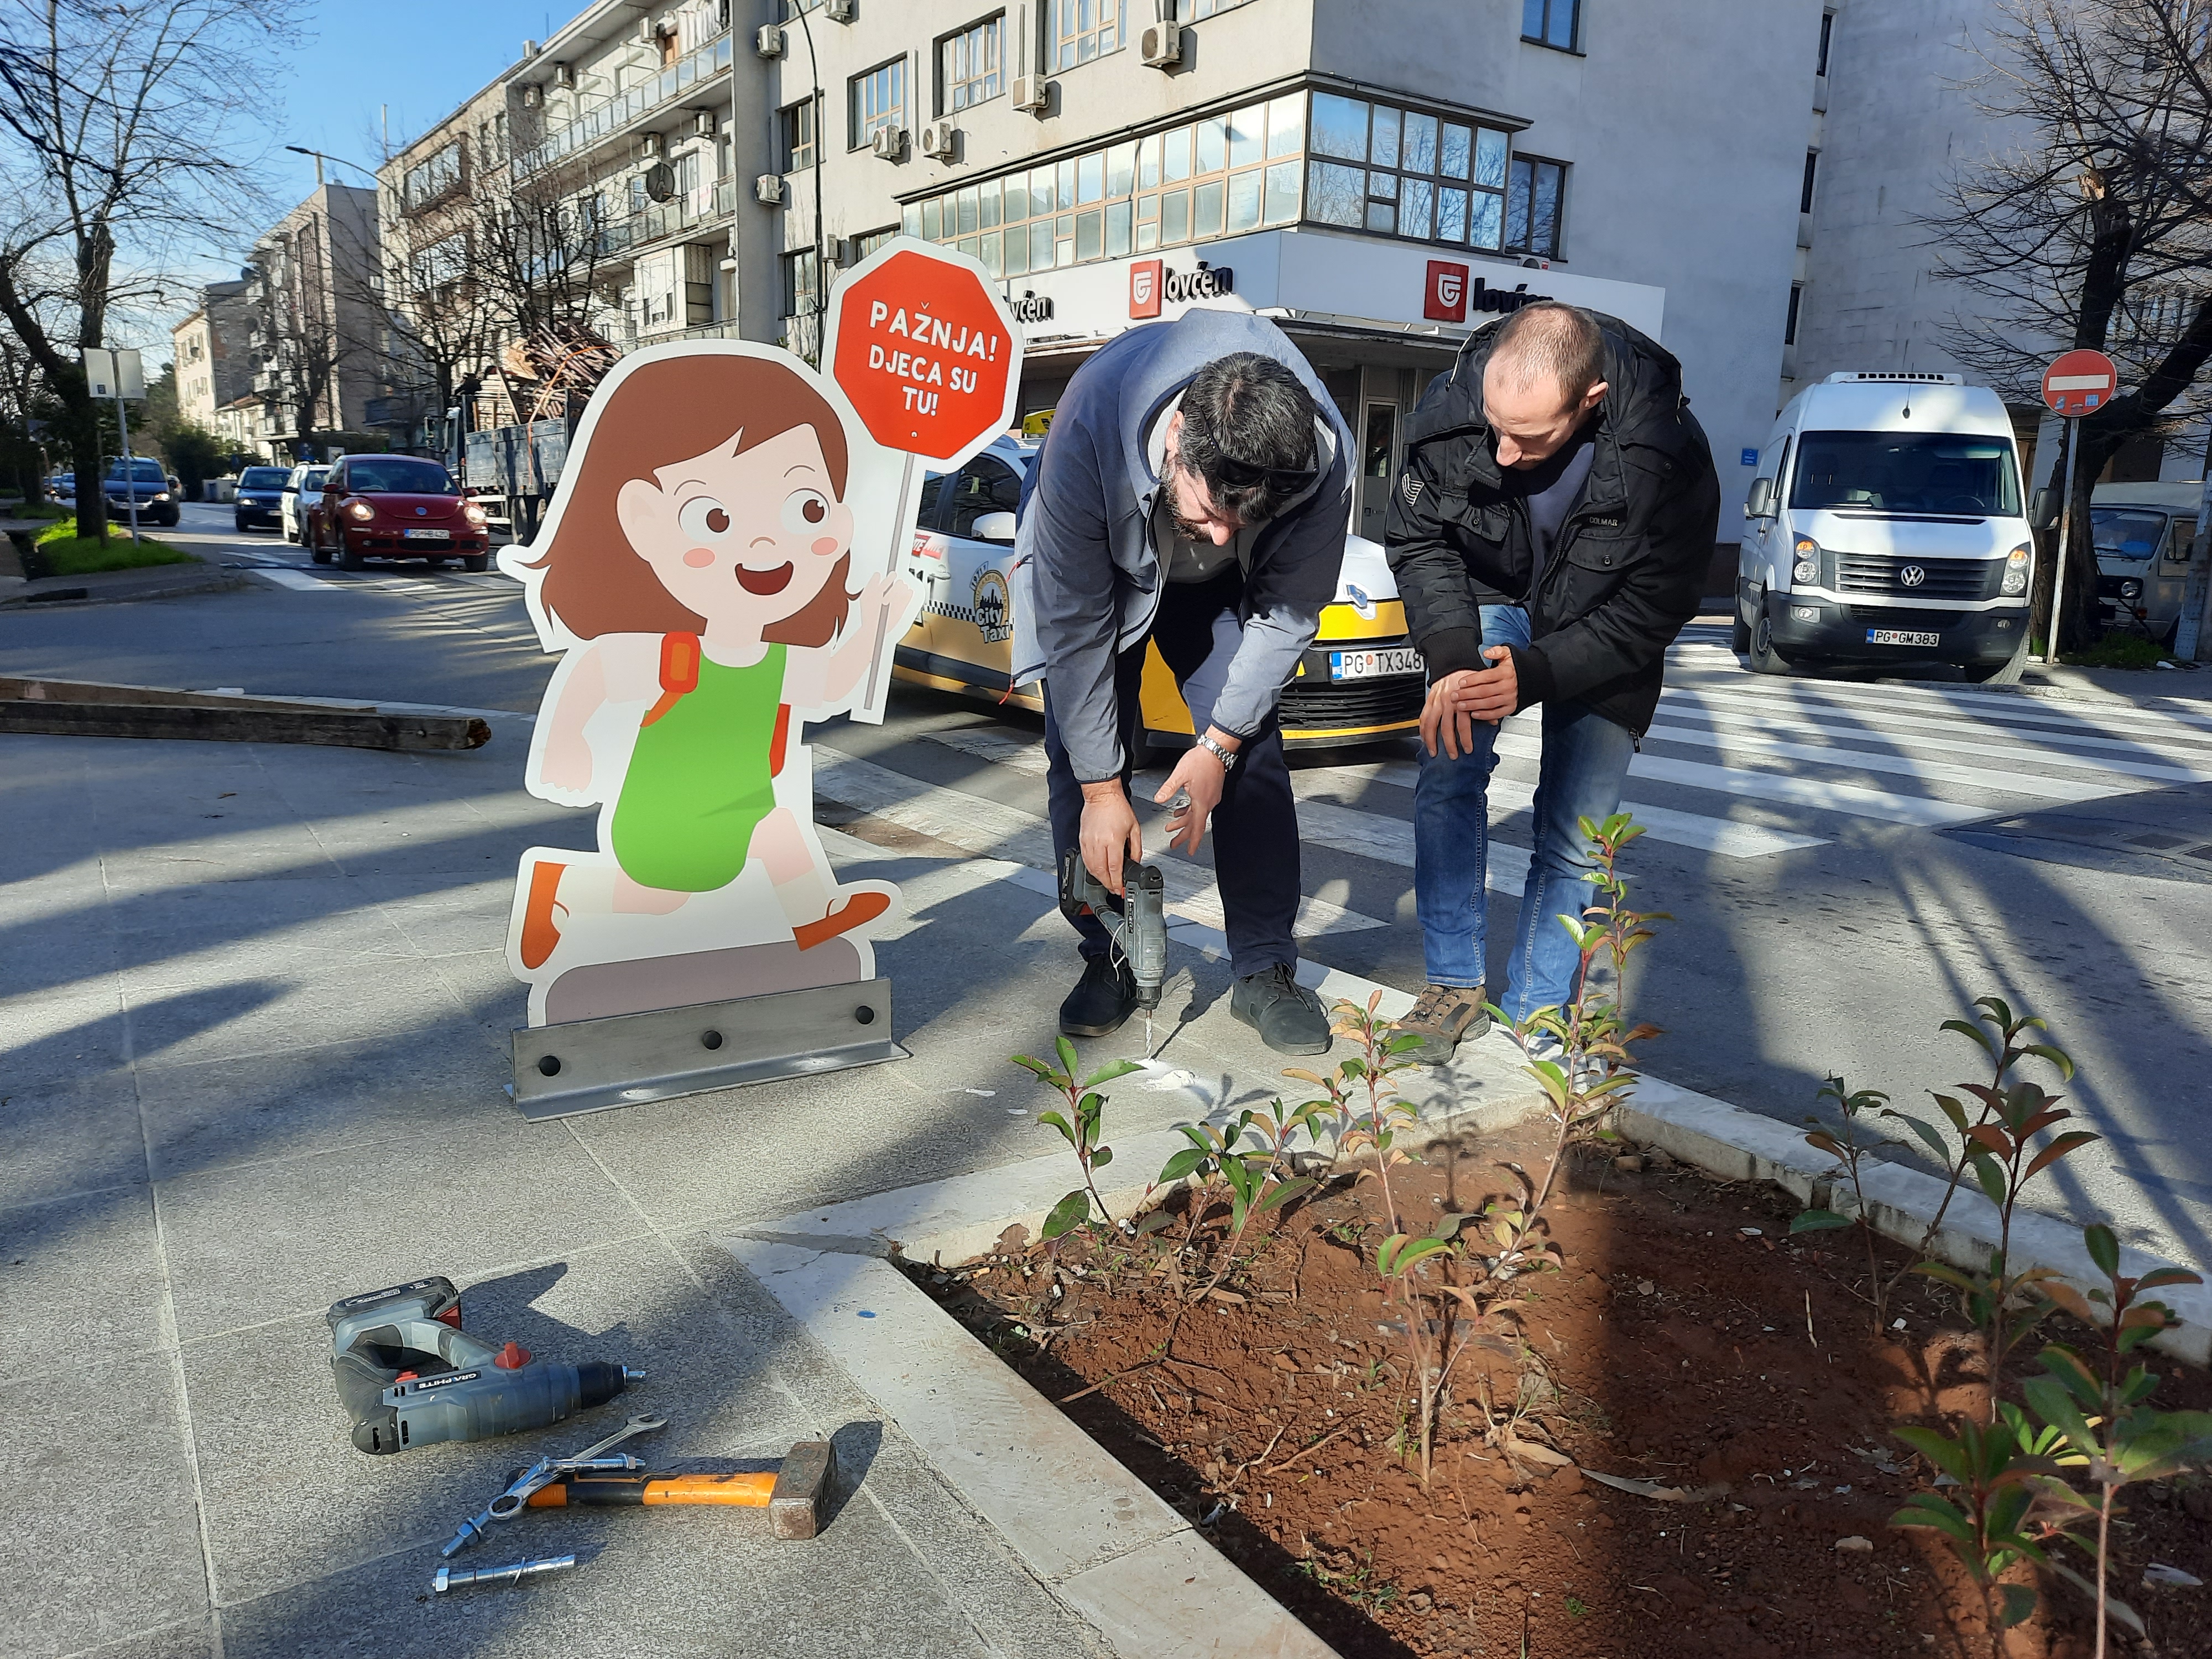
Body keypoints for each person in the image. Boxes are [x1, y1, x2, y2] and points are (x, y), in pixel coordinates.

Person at [1009, 310, 1354, 1055]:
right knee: (1082, 757)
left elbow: (1290, 614)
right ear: (1175, 441)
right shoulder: (1091, 420)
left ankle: (1264, 969)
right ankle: (1108, 953)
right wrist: (1106, 792)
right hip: (1103, 559)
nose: (1225, 530)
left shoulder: (1321, 457)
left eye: (1247, 514)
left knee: (1254, 753)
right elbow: (1074, 633)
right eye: (1211, 508)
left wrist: (1219, 745)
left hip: (1220, 593)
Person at [1384, 302, 1720, 1063]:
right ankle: (1451, 985)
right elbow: (1418, 539)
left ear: (1590, 400)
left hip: (1604, 623)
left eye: (1528, 436)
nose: (1502, 453)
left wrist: (1536, 674)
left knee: (1575, 830)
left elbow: (1653, 608)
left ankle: (1538, 1011)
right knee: (1447, 766)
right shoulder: (1451, 413)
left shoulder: (1668, 456)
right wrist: (1449, 655)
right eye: (1495, 424)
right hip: (1491, 596)